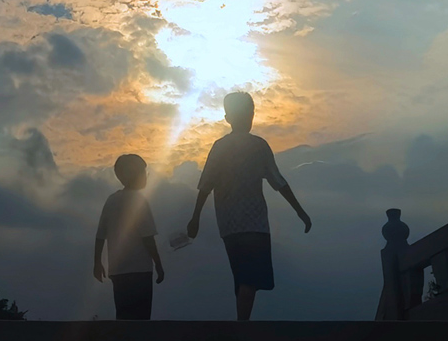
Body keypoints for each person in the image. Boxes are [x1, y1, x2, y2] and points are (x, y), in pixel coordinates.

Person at [187, 90, 311, 321]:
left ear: (228, 118)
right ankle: (243, 324)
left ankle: (241, 321)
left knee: (242, 275)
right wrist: (300, 211)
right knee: (249, 278)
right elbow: (279, 182)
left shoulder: (220, 146)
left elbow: (205, 186)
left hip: (229, 225)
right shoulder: (258, 146)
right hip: (254, 224)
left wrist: (195, 218)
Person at [93, 153, 165, 320]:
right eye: (144, 172)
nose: (146, 176)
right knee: (141, 317)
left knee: (123, 317)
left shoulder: (111, 200)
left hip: (118, 271)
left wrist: (97, 263)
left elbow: (100, 236)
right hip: (140, 270)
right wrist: (158, 264)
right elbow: (148, 238)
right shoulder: (139, 201)